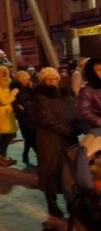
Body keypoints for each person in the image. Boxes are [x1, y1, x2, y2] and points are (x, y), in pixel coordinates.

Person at [33, 67, 80, 218]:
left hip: (69, 139)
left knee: (70, 171)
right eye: (48, 79)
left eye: (54, 78)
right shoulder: (41, 96)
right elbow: (47, 120)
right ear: (43, 81)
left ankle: (71, 202)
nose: (52, 81)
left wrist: (77, 126)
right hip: (50, 139)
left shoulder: (66, 93)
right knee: (50, 171)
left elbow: (75, 111)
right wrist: (68, 131)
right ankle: (51, 203)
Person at [0, 66, 19, 167]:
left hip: (8, 112)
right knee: (5, 134)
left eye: (6, 74)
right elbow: (4, 101)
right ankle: (2, 156)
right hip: (2, 113)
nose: (5, 77)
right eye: (2, 75)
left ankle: (3, 155)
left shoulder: (5, 85)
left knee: (8, 134)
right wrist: (13, 93)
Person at [12, 71, 36, 165]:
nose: (28, 81)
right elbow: (12, 100)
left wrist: (32, 88)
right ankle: (36, 155)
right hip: (23, 115)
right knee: (29, 136)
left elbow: (35, 97)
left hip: (32, 113)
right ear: (21, 80)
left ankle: (25, 154)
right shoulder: (14, 87)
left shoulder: (28, 87)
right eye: (26, 80)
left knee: (30, 136)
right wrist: (18, 107)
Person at [78, 58, 101, 133]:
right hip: (97, 130)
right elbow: (86, 112)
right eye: (99, 70)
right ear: (92, 72)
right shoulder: (86, 91)